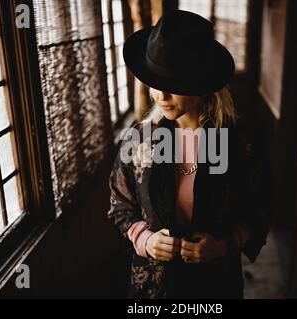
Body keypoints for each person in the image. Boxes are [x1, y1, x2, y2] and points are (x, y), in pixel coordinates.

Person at [108, 10, 270, 299]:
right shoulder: (139, 140)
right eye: (155, 80)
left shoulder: (240, 145)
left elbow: (261, 209)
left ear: (201, 83)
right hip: (153, 289)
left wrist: (223, 244)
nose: (160, 95)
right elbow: (119, 204)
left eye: (173, 84)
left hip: (215, 288)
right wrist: (145, 239)